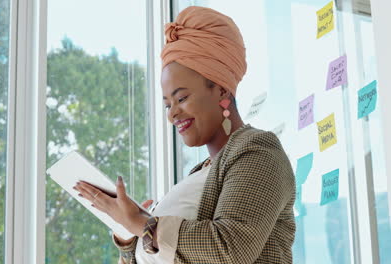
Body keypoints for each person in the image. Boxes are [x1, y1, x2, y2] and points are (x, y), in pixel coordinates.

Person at [74, 6, 296, 264]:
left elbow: (232, 247)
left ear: (222, 91)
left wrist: (142, 225)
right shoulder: (199, 173)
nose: (172, 114)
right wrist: (128, 236)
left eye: (182, 98)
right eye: (168, 104)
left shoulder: (258, 151)